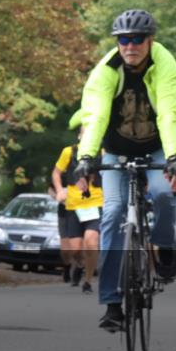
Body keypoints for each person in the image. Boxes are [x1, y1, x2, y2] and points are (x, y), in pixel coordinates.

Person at [74, 9, 176, 332]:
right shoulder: (105, 70)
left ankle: (165, 246)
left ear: (150, 40)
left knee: (163, 194)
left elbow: (168, 112)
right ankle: (112, 303)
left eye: (137, 39)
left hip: (158, 146)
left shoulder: (166, 65)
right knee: (112, 213)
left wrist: (174, 156)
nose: (130, 46)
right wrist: (86, 157)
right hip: (116, 150)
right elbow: (95, 116)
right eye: (123, 39)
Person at [52, 120, 103, 294]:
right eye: (85, 134)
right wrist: (60, 190)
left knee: (91, 242)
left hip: (96, 203)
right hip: (74, 205)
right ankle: (80, 265)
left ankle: (87, 281)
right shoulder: (69, 151)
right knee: (75, 249)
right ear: (80, 136)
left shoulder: (103, 153)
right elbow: (56, 173)